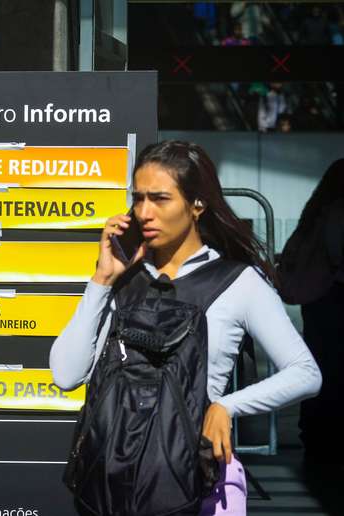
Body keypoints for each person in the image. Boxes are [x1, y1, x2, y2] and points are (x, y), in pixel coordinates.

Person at [50, 140, 322, 515]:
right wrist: (101, 280)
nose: (144, 212)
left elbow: (306, 373)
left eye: (160, 199)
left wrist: (226, 406)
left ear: (197, 204)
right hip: (106, 488)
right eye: (138, 198)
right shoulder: (124, 279)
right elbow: (66, 375)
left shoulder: (238, 282)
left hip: (192, 486)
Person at [278, 159, 344, 466]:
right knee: (333, 369)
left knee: (321, 363)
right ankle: (325, 433)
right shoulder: (337, 210)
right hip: (334, 296)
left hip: (318, 298)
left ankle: (316, 430)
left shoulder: (317, 211)